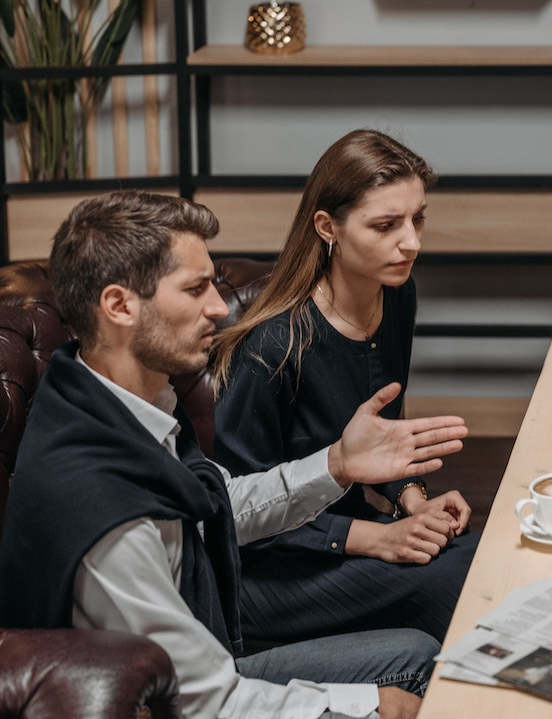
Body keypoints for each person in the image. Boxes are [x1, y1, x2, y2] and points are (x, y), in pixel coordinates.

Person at [0, 190, 466, 719]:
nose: (220, 308)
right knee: (408, 683)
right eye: (195, 288)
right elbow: (207, 702)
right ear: (119, 306)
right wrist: (369, 704)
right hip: (174, 701)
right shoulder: (103, 516)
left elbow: (219, 503)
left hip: (204, 666)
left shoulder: (117, 400)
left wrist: (336, 464)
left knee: (418, 654)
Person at [210, 129, 477, 646]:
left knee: (476, 556)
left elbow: (382, 439)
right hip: (266, 577)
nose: (412, 242)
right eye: (386, 225)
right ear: (327, 227)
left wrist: (415, 504)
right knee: (459, 580)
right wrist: (380, 538)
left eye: (417, 218)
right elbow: (236, 516)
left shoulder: (396, 294)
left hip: (348, 542)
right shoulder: (273, 345)